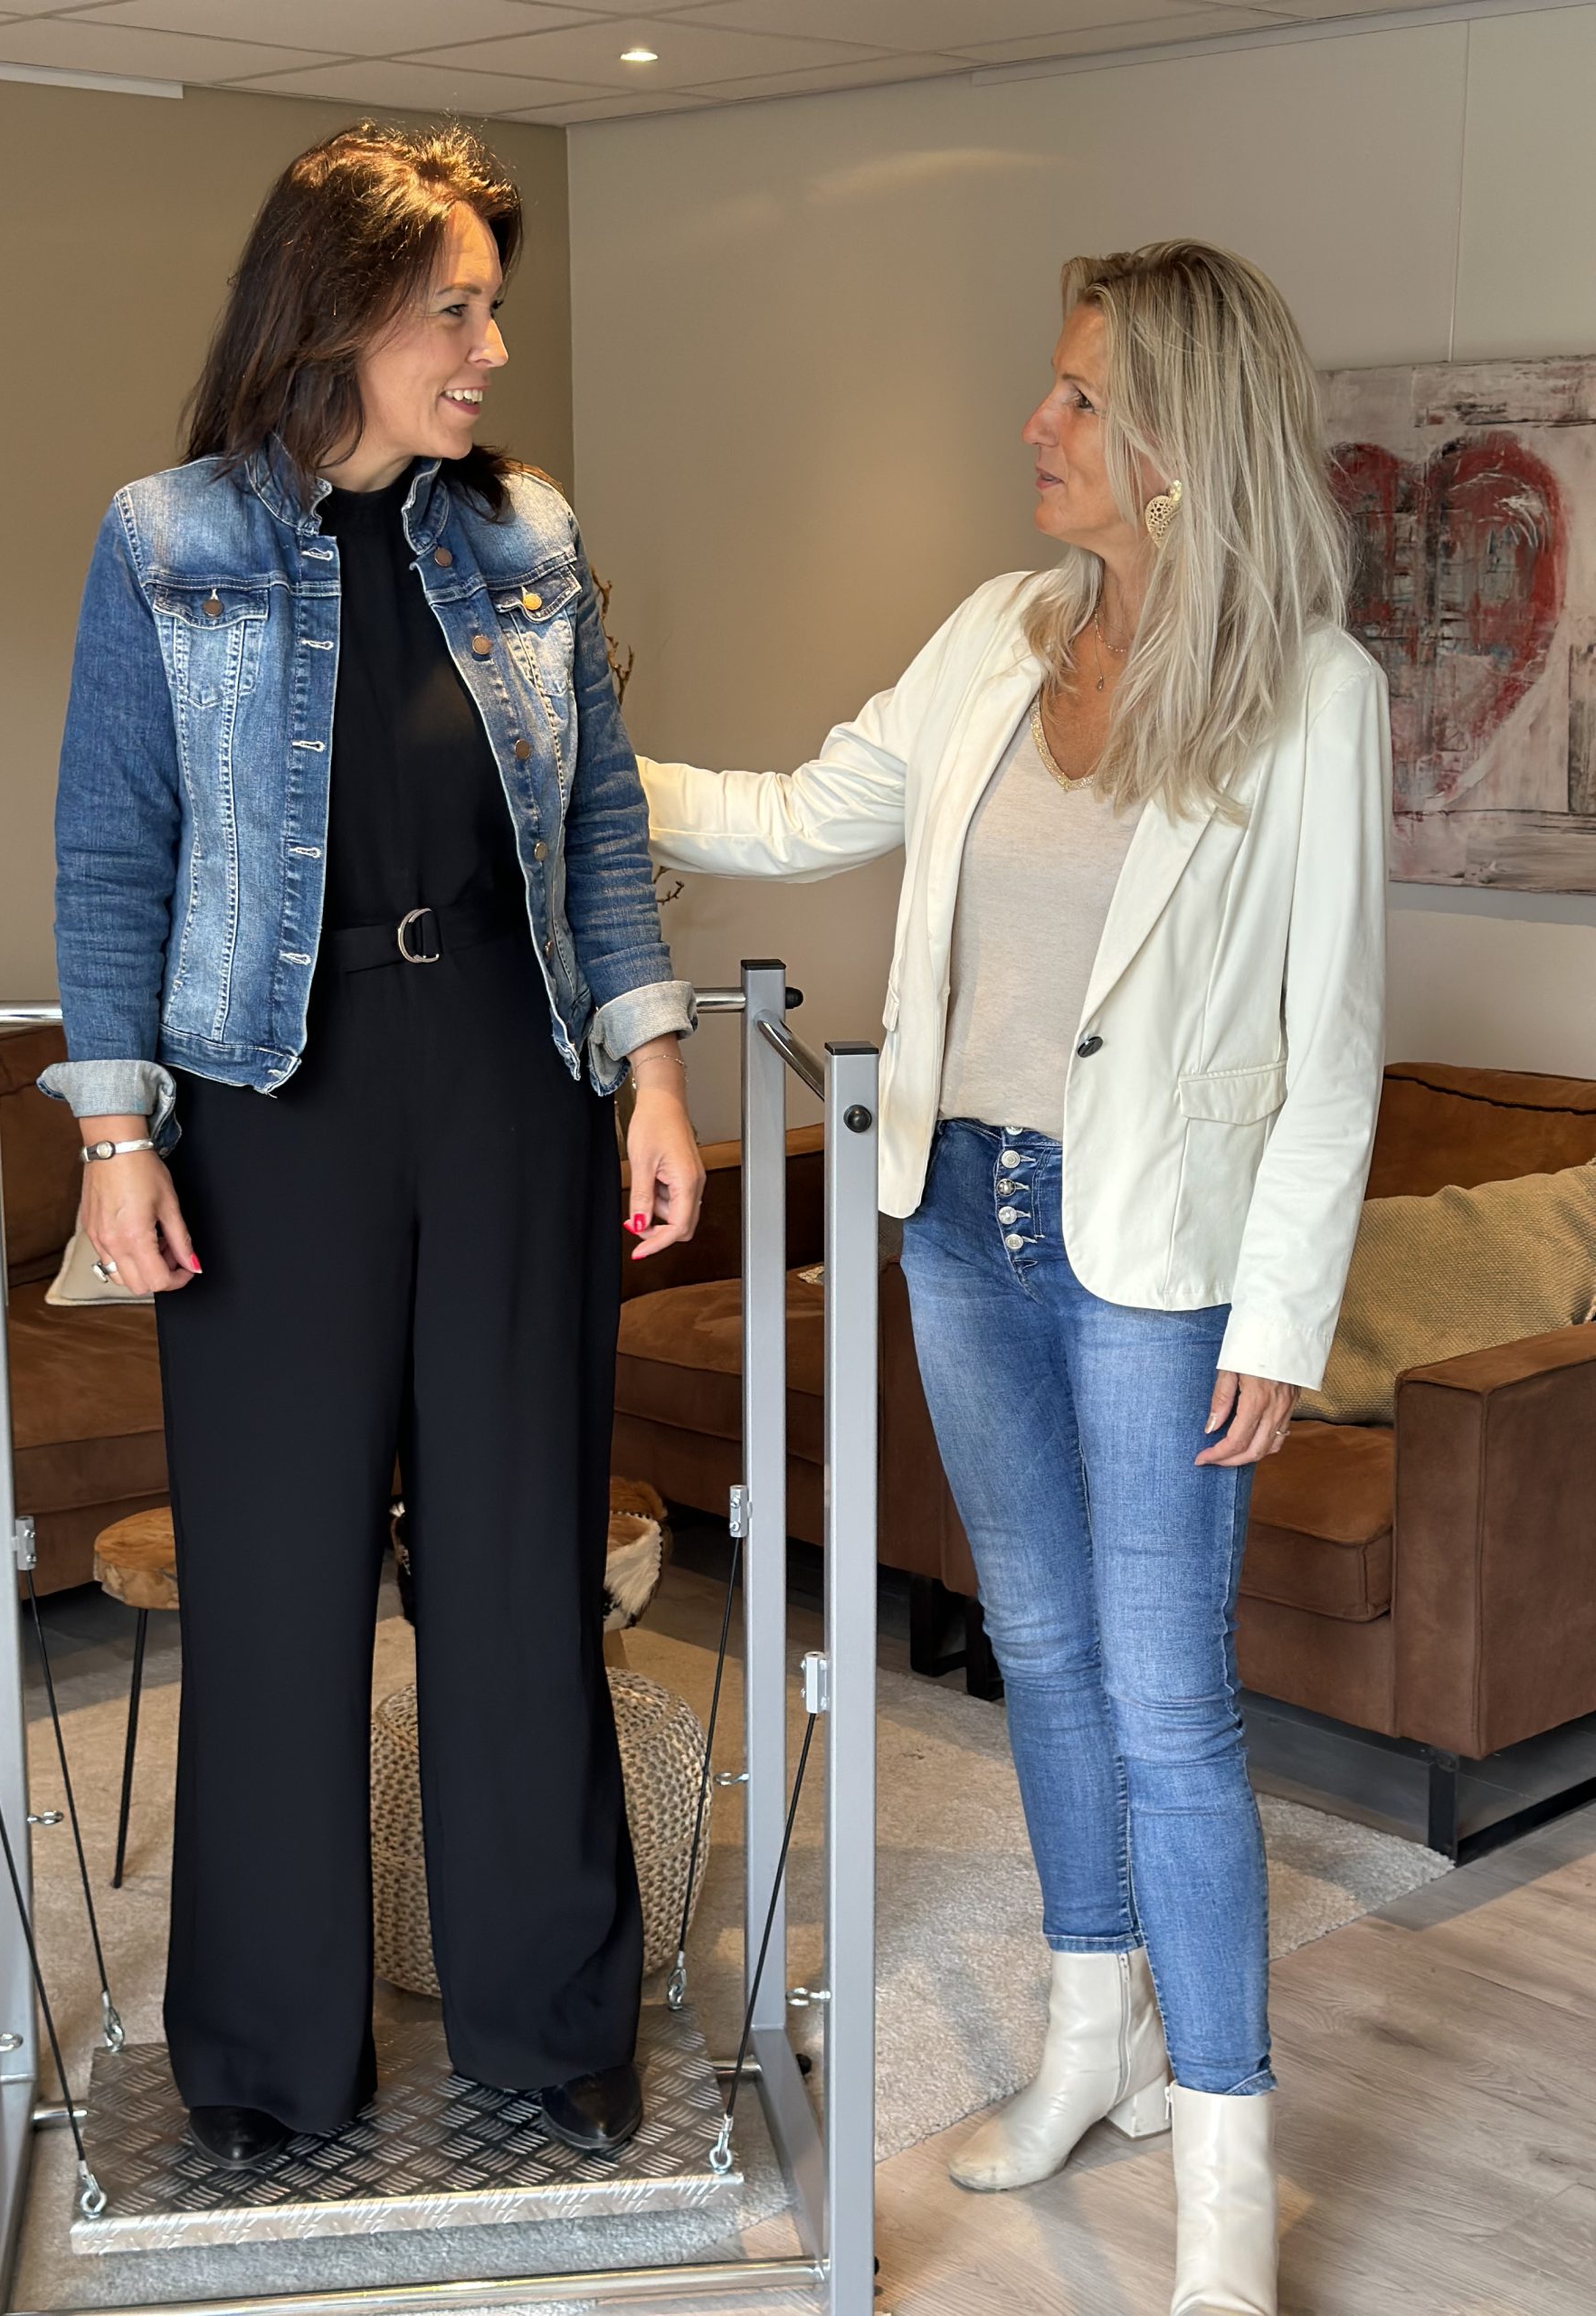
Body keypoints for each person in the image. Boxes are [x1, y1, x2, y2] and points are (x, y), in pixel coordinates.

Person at [638, 242, 1388, 2314]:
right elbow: (805, 807)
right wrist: (577, 770)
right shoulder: (997, 634)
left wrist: (1281, 1317)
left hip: (1156, 1260)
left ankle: (1225, 2171)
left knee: (1171, 1704)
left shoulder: (1314, 693)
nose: (1033, 427)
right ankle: (1089, 2036)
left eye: (1075, 399)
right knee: (1039, 1651)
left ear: (1177, 442)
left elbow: (1331, 1047)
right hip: (959, 1212)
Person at [39, 122, 704, 2169]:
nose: (492, 348)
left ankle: (548, 2018)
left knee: (519, 1567)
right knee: (276, 1584)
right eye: (458, 309)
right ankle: (264, 2052)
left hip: (511, 1079)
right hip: (272, 1105)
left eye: (495, 306)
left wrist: (654, 1072)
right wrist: (115, 1130)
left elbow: (599, 826)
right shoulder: (166, 539)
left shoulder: (528, 533)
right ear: (337, 313)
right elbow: (113, 847)